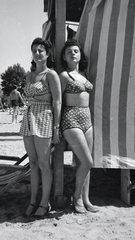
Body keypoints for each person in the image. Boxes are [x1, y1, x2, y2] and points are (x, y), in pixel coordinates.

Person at [20, 38, 62, 218]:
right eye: (34, 50)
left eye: (40, 50)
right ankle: (32, 200)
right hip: (28, 119)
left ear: (47, 54)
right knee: (33, 163)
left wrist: (56, 128)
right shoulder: (29, 76)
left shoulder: (51, 75)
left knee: (45, 164)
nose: (37, 53)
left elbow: (58, 101)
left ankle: (45, 203)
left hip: (44, 118)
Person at [59, 39, 98, 213]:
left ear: (80, 55)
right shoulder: (64, 76)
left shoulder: (84, 75)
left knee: (85, 163)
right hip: (71, 118)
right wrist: (56, 128)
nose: (73, 53)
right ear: (64, 57)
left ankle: (86, 199)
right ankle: (77, 196)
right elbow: (58, 102)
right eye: (69, 52)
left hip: (87, 119)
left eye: (76, 51)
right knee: (88, 161)